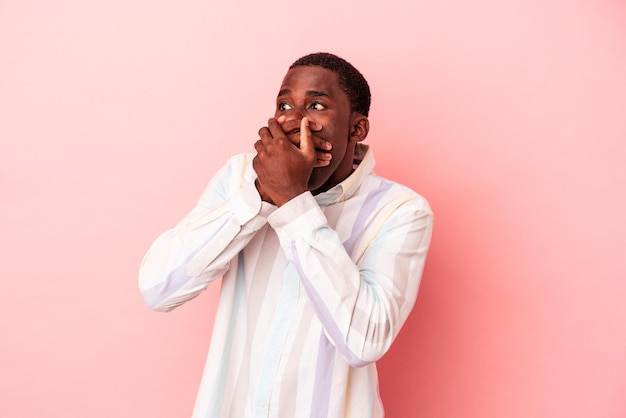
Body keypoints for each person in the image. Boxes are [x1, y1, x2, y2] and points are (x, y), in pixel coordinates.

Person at [139, 52, 434, 418]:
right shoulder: (238, 179)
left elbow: (365, 340)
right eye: (284, 104)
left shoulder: (401, 211)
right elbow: (158, 288)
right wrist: (261, 195)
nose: (294, 120)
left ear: (356, 129)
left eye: (316, 105)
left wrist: (293, 200)